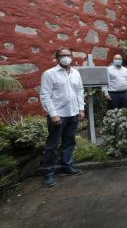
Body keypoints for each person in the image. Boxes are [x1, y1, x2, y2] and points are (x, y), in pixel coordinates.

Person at [39, 46, 85, 187]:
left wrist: (81, 110)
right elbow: (45, 95)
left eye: (68, 55)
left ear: (71, 57)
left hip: (73, 113)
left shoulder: (76, 73)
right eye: (62, 55)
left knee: (69, 142)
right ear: (57, 58)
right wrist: (53, 114)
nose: (66, 57)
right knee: (52, 145)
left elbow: (79, 91)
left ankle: (67, 167)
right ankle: (48, 174)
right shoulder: (49, 74)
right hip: (58, 115)